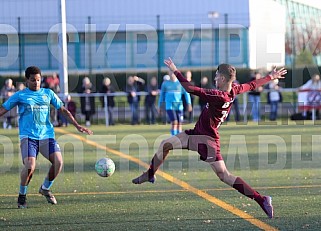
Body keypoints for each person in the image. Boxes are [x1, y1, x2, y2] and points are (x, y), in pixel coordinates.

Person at [132, 58, 287, 219]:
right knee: (165, 145)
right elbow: (253, 85)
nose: (214, 79)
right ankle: (150, 174)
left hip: (207, 140)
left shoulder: (218, 96)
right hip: (196, 134)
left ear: (222, 79)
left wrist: (175, 70)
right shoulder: (234, 89)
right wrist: (271, 77)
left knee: (224, 175)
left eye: (216, 76)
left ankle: (261, 199)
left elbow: (189, 88)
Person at [0, 66, 93, 208]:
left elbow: (63, 109)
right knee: (30, 166)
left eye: (38, 80)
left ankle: (45, 188)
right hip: (28, 136)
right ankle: (22, 195)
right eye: (33, 80)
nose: (36, 83)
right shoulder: (20, 95)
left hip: (47, 135)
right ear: (27, 80)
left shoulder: (48, 93)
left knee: (59, 162)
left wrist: (77, 125)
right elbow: (3, 109)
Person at [158, 70, 192, 135]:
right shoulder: (165, 84)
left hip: (179, 106)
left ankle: (179, 138)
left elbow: (186, 94)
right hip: (170, 106)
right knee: (174, 122)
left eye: (173, 72)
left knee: (179, 123)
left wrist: (189, 104)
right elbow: (162, 96)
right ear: (168, 73)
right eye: (170, 72)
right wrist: (160, 106)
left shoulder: (180, 83)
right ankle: (173, 137)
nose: (172, 74)